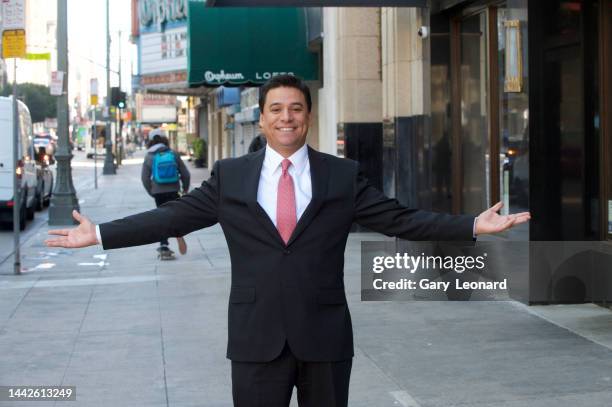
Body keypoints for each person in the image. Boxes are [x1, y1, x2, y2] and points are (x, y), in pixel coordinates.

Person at [46, 75, 530, 407]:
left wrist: (469, 226)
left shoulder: (341, 175)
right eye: (275, 109)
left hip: (324, 337)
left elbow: (399, 220)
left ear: (308, 117)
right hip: (256, 338)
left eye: (295, 109)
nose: (286, 117)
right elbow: (175, 215)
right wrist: (102, 234)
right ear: (261, 119)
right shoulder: (231, 177)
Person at [142, 133, 191, 260]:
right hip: (173, 189)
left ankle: (164, 245)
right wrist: (185, 189)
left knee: (161, 217)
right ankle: (178, 233)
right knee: (174, 215)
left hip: (158, 191)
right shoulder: (173, 154)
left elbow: (144, 178)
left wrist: (151, 191)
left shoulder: (149, 156)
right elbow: (186, 174)